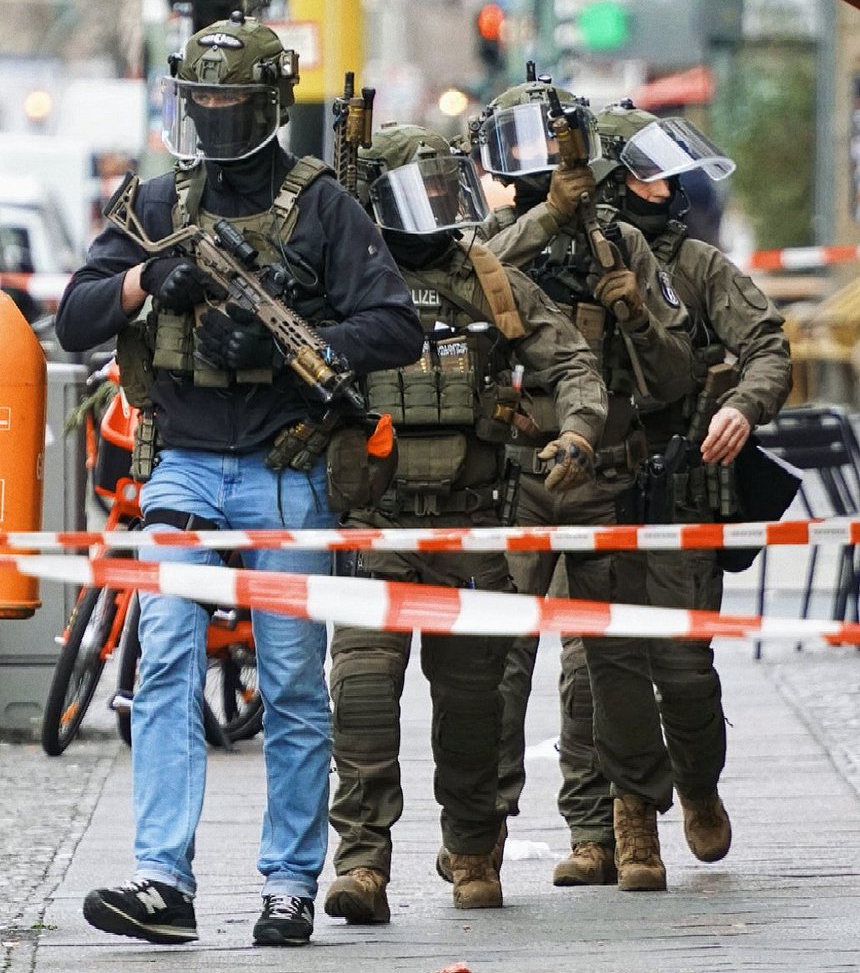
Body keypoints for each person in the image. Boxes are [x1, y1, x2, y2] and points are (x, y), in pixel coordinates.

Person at [53, 12, 424, 948]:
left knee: (292, 679)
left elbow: (395, 325)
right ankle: (160, 881)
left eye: (229, 100)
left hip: (285, 470)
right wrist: (147, 284)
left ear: (267, 105)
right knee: (166, 662)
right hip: (181, 468)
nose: (213, 115)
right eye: (200, 99)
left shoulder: (323, 207)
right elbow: (78, 314)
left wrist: (285, 343)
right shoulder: (158, 204)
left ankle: (289, 883)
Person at [323, 123, 608, 923]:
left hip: (469, 526)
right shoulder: (338, 283)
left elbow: (572, 362)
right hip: (375, 527)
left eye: (442, 192)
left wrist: (578, 431)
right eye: (416, 195)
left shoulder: (489, 280)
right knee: (363, 697)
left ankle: (475, 853)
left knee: (475, 708)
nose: (433, 210)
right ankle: (363, 866)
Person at [435, 76, 697, 893]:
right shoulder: (488, 241)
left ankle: (631, 824)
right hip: (510, 475)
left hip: (603, 472)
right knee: (496, 663)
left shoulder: (622, 243)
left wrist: (636, 316)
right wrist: (547, 216)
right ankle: (478, 835)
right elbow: (478, 276)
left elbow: (674, 375)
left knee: (614, 660)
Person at [550, 102, 792, 888]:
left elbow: (767, 347)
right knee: (595, 666)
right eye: (647, 176)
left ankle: (698, 786)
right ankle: (619, 825)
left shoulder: (696, 266)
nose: (666, 188)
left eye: (666, 176)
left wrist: (742, 407)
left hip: (679, 488)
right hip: (594, 489)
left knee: (685, 668)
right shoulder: (563, 260)